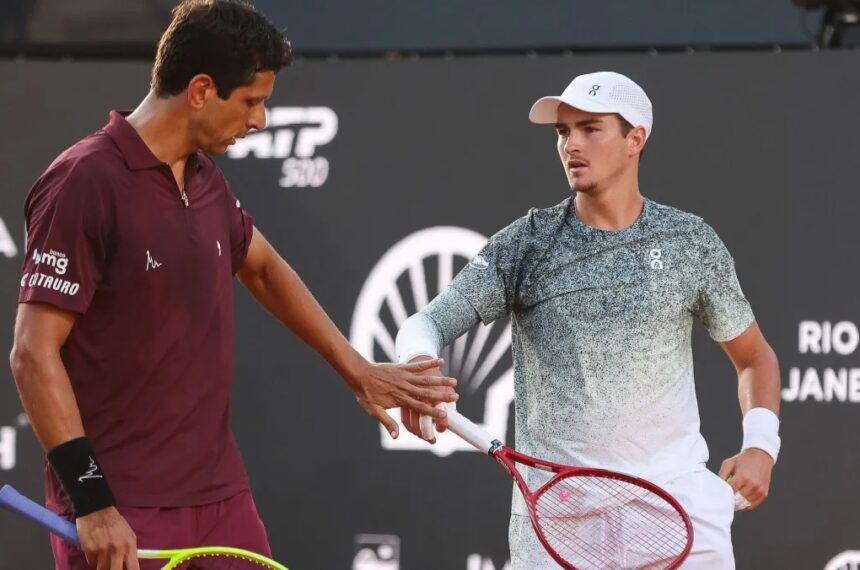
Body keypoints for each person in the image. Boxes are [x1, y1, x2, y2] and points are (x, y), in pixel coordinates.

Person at [9, 2, 457, 569]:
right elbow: (32, 352)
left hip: (221, 500)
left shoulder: (205, 178)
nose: (260, 120)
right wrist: (92, 502)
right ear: (200, 90)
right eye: (252, 101)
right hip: (122, 509)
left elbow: (264, 267)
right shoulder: (84, 180)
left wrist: (358, 370)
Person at [394, 71, 781, 568]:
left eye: (590, 128)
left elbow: (754, 358)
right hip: (560, 521)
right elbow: (425, 324)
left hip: (679, 510)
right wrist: (418, 365)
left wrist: (761, 447)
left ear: (634, 139)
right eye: (562, 132)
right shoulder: (525, 244)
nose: (571, 144)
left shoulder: (691, 243)